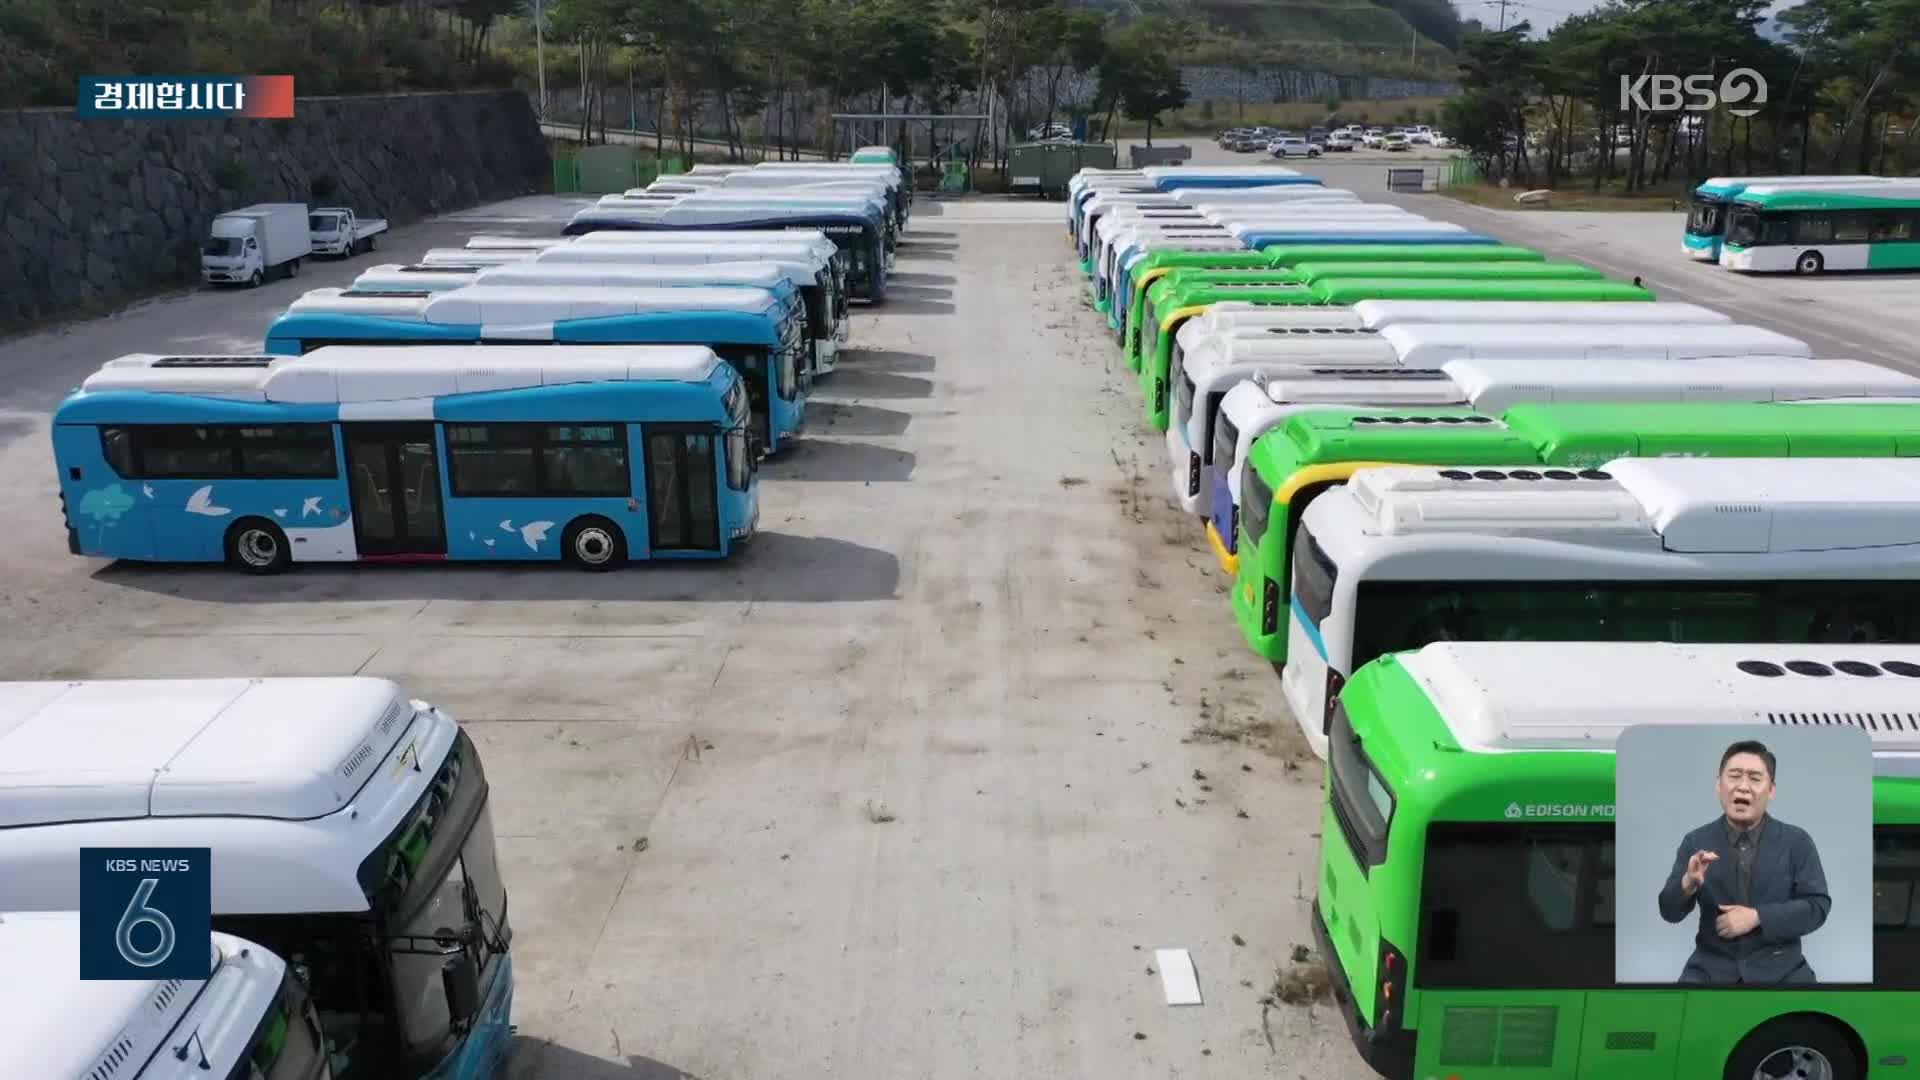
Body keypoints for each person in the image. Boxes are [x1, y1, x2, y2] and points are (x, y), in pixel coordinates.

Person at [1657, 739, 1830, 984]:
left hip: (1782, 971)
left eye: (1755, 778)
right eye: (1734, 776)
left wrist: (1758, 917)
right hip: (1710, 971)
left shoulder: (1797, 842)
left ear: (1771, 790)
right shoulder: (1696, 841)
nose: (1743, 787)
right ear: (1719, 784)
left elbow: (1818, 907)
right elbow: (1669, 911)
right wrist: (1688, 883)